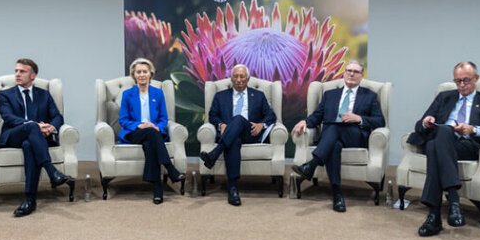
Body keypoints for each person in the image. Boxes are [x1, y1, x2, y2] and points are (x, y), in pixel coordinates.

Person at [409, 61, 480, 235]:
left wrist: (473, 130)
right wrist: (426, 123)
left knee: (435, 144)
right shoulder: (444, 97)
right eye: (458, 81)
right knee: (441, 135)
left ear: (476, 78)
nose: (462, 85)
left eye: (466, 80)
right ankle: (453, 202)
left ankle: (434, 215)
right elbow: (420, 124)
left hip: (467, 145)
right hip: (443, 142)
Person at [291, 60, 385, 213]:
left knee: (333, 126)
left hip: (355, 136)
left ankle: (312, 164)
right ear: (344, 73)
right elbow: (317, 115)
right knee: (334, 145)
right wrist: (305, 121)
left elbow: (380, 121)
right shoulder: (330, 95)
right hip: (332, 138)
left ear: (361, 76)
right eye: (348, 71)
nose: (351, 74)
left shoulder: (369, 96)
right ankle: (337, 194)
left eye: (355, 72)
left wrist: (359, 118)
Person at [0, 58, 72, 217]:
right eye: (16, 71)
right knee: (31, 126)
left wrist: (51, 127)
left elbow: (57, 117)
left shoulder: (44, 95)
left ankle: (30, 200)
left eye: (22, 71)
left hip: (36, 139)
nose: (17, 74)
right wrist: (36, 126)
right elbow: (8, 117)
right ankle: (52, 171)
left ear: (33, 75)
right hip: (13, 136)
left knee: (29, 145)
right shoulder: (6, 94)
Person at [199, 64, 277, 206]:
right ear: (231, 79)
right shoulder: (220, 96)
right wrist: (221, 125)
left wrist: (261, 125)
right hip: (229, 134)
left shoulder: (258, 95)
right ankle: (233, 188)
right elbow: (212, 116)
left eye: (242, 76)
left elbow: (271, 116)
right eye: (236, 76)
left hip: (250, 133)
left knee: (239, 119)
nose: (239, 80)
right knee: (234, 140)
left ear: (248, 79)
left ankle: (215, 153)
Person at [119, 57, 186, 204]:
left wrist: (158, 127)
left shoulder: (158, 93)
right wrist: (139, 125)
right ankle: (169, 167)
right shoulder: (127, 94)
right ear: (134, 75)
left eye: (145, 71)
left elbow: (163, 118)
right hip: (134, 133)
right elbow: (123, 120)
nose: (142, 75)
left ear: (150, 74)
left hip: (153, 133)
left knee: (150, 145)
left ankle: (157, 189)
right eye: (138, 72)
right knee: (150, 132)